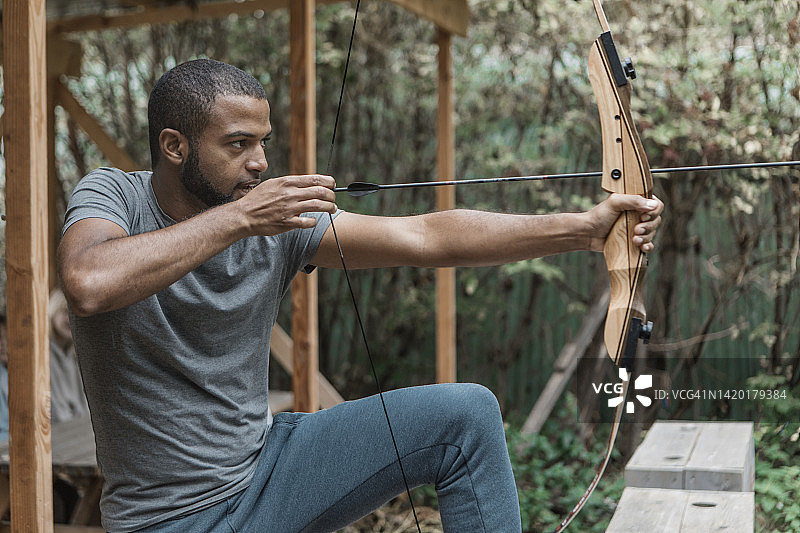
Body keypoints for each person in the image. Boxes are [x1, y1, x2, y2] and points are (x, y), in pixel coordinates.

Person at [58, 59, 663, 533]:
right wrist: (241, 220)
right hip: (174, 518)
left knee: (466, 416)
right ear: (175, 146)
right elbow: (88, 283)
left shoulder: (274, 221)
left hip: (267, 468)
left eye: (263, 142)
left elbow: (425, 236)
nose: (261, 163)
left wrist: (585, 230)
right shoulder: (115, 197)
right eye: (237, 145)